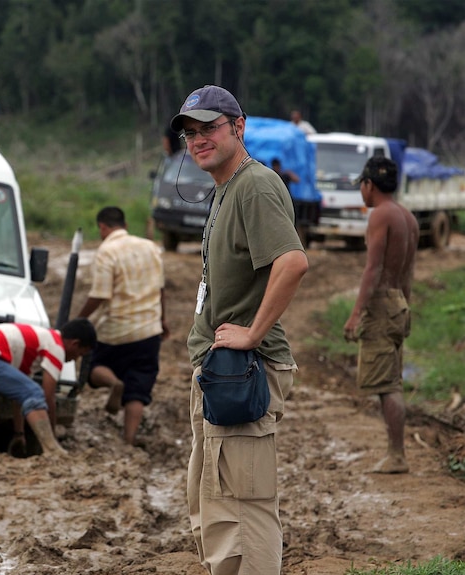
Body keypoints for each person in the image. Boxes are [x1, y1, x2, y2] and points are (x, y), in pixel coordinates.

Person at [170, 85, 309, 574]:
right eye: (190, 132)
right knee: (215, 506)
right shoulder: (226, 188)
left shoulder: (255, 185)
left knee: (244, 513)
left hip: (246, 369)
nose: (198, 140)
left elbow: (291, 262)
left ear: (238, 126)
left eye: (208, 127)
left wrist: (251, 334)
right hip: (219, 369)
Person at [343, 156, 418, 475]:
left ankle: (397, 455)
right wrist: (405, 307)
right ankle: (395, 452)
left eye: (362, 185)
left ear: (369, 184)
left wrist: (356, 313)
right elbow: (408, 272)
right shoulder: (408, 217)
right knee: (393, 380)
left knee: (387, 385)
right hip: (398, 302)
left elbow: (373, 269)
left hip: (381, 304)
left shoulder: (380, 215)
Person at [76, 206, 168, 446]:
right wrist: (162, 320)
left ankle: (113, 383)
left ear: (102, 228)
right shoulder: (150, 247)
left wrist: (79, 319)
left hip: (115, 329)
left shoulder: (107, 251)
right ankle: (129, 439)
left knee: (95, 367)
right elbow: (160, 289)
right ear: (125, 226)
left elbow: (100, 294)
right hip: (148, 329)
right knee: (139, 384)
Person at [0, 318, 97, 466]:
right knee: (34, 392)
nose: (74, 360)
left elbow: (18, 396)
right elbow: (48, 396)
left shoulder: (33, 350)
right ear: (75, 343)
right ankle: (51, 450)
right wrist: (53, 440)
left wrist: (19, 433)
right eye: (80, 354)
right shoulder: (56, 345)